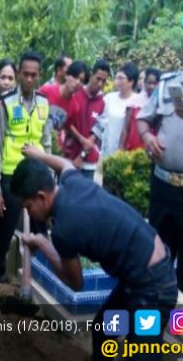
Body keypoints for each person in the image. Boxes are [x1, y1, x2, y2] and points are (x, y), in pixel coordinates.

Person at [15, 146, 177, 361]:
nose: (29, 213)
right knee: (104, 328)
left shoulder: (64, 230)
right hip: (143, 273)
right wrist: (39, 156)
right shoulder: (73, 183)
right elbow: (65, 164)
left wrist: (42, 244)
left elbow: (76, 283)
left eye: (28, 207)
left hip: (153, 287)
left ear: (42, 197)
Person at [0, 51, 51, 303]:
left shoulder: (44, 104)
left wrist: (49, 178)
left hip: (36, 177)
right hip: (10, 177)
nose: (28, 78)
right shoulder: (6, 103)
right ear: (18, 72)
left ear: (39, 76)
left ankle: (38, 282)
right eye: (24, 74)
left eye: (33, 75)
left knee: (40, 233)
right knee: (4, 234)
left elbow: (46, 142)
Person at [137, 70, 183, 291]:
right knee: (157, 256)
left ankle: (179, 324)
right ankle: (153, 321)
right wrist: (147, 138)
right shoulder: (166, 84)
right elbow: (144, 120)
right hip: (163, 187)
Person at [66, 60, 111, 180]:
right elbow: (67, 122)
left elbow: (96, 133)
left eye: (104, 81)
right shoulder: (75, 93)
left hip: (89, 162)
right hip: (68, 155)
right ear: (91, 75)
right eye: (98, 78)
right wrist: (81, 139)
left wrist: (82, 155)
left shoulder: (103, 104)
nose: (100, 83)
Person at [92, 62, 146, 158]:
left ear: (131, 81)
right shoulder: (108, 98)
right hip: (106, 148)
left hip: (126, 152)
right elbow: (99, 123)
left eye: (121, 78)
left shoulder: (138, 102)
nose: (117, 81)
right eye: (116, 77)